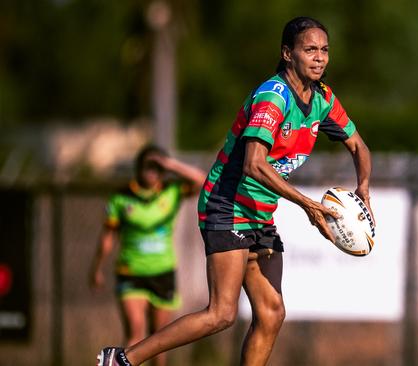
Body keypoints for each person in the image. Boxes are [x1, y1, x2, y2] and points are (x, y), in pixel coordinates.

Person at [97, 16, 372, 366]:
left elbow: (359, 147)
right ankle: (121, 359)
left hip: (260, 213)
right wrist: (308, 205)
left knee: (272, 314)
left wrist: (363, 188)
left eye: (324, 50)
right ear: (288, 54)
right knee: (222, 313)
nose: (319, 57)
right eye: (309, 49)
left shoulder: (322, 99)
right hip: (227, 204)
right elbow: (253, 164)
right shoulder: (274, 98)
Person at [90, 145, 206, 366]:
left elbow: (202, 180)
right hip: (131, 272)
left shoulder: (171, 192)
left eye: (157, 168)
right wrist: (96, 268)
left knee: (159, 341)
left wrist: (171, 164)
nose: (152, 173)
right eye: (148, 167)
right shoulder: (122, 198)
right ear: (138, 168)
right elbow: (108, 236)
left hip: (162, 272)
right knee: (135, 333)